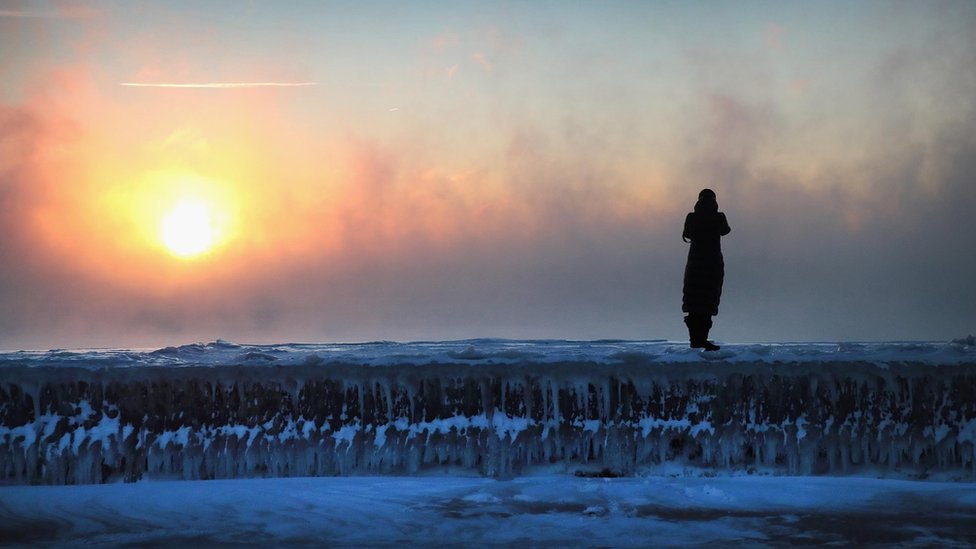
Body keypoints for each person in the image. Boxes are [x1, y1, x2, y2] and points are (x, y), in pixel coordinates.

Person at [682, 188, 731, 351]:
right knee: (707, 302)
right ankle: (701, 339)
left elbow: (687, 234)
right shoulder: (718, 217)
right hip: (712, 264)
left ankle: (695, 339)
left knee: (694, 301)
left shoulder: (692, 217)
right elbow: (726, 230)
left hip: (695, 265)